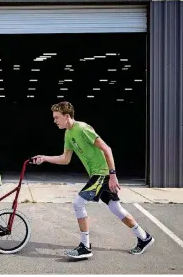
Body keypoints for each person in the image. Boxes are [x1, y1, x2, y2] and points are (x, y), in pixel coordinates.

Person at [32, 101, 154, 258]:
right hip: (97, 175)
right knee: (116, 209)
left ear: (66, 116)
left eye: (56, 117)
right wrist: (45, 158)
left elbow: (107, 149)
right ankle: (144, 237)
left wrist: (112, 175)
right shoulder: (68, 134)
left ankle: (85, 246)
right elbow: (65, 159)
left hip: (102, 174)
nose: (54, 120)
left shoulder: (82, 128)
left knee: (78, 203)